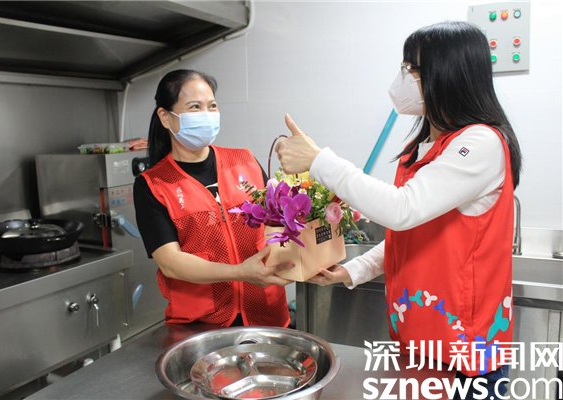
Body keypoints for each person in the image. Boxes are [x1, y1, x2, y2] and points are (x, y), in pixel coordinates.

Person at [275, 21, 521, 399]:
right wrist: (354, 269)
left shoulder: (481, 143)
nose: (403, 78)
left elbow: (401, 209)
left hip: (465, 353)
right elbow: (413, 232)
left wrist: (319, 160)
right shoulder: (423, 147)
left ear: (447, 74)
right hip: (419, 338)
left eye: (412, 69)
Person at [134, 69, 293, 328]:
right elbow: (171, 263)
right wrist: (239, 273)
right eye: (195, 107)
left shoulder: (245, 161)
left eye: (212, 106)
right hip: (201, 324)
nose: (206, 115)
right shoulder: (154, 185)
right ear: (165, 117)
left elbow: (275, 224)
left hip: (265, 314)